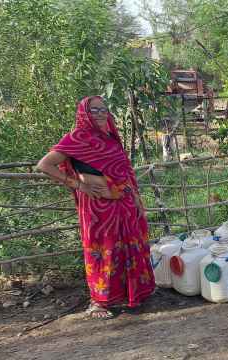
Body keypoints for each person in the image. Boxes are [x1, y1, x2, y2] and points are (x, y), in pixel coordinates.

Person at [37, 96, 154, 319]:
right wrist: (78, 185)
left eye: (103, 109)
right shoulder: (76, 138)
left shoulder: (111, 138)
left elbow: (125, 170)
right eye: (94, 110)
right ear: (84, 114)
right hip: (98, 207)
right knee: (103, 250)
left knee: (129, 247)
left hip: (124, 202)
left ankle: (130, 294)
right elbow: (44, 165)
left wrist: (137, 200)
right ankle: (99, 301)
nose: (100, 114)